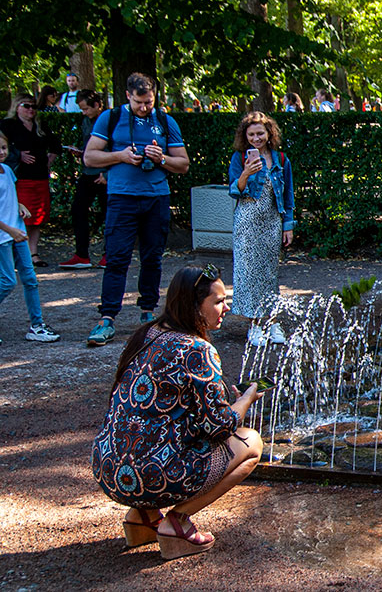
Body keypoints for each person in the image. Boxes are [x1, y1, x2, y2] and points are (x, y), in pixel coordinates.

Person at [92, 265, 264, 560]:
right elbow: (219, 427)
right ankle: (177, 523)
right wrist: (246, 399)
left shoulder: (147, 333)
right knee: (251, 443)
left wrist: (223, 394)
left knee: (152, 435)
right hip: (153, 475)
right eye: (219, 301)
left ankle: (143, 518)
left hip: (109, 469)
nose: (227, 307)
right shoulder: (196, 348)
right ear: (194, 306)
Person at [83, 72, 190, 346]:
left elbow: (183, 164)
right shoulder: (111, 118)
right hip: (121, 197)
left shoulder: (165, 120)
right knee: (117, 258)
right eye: (139, 102)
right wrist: (120, 156)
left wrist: (161, 157)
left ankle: (148, 313)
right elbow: (90, 156)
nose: (144, 108)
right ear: (128, 96)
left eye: (149, 102)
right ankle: (107, 318)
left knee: (152, 257)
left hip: (156, 197)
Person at [227, 111, 295, 347]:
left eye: (260, 133)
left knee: (269, 273)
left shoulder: (281, 159)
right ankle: (254, 324)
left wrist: (288, 226)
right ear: (245, 136)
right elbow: (235, 190)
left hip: (272, 220)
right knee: (248, 273)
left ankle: (273, 321)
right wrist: (247, 172)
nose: (256, 138)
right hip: (247, 219)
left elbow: (288, 196)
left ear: (269, 134)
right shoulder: (239, 158)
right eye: (251, 134)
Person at [0, 131, 60, 343]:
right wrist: (10, 230)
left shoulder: (7, 170)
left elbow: (8, 196)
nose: (1, 152)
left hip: (18, 233)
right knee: (7, 282)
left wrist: (19, 205)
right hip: (5, 237)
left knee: (30, 280)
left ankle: (37, 325)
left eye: (4, 148)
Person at [0, 94, 61, 266]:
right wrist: (18, 155)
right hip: (19, 177)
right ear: (17, 107)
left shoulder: (40, 125)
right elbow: (2, 146)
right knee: (20, 216)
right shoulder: (8, 125)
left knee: (37, 217)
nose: (30, 110)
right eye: (26, 106)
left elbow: (56, 145)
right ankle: (17, 253)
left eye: (33, 106)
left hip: (39, 176)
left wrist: (49, 161)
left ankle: (33, 253)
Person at [59, 90, 108, 269]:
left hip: (104, 174)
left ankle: (109, 254)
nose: (83, 112)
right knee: (78, 209)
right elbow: (90, 145)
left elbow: (117, 147)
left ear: (97, 105)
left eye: (86, 109)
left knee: (109, 214)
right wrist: (80, 151)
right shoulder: (86, 121)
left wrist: (108, 173)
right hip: (89, 171)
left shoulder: (109, 121)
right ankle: (82, 255)